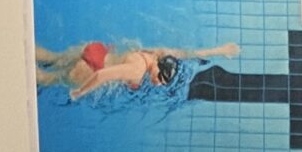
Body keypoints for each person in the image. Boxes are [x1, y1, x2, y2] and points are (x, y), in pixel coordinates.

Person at [35, 40, 240, 98]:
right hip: (89, 70)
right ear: (158, 67)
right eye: (160, 78)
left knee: (52, 58)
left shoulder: (158, 53)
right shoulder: (137, 70)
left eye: (163, 82)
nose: (158, 83)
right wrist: (80, 92)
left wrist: (220, 50)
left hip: (96, 50)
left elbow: (187, 53)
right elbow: (102, 75)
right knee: (44, 79)